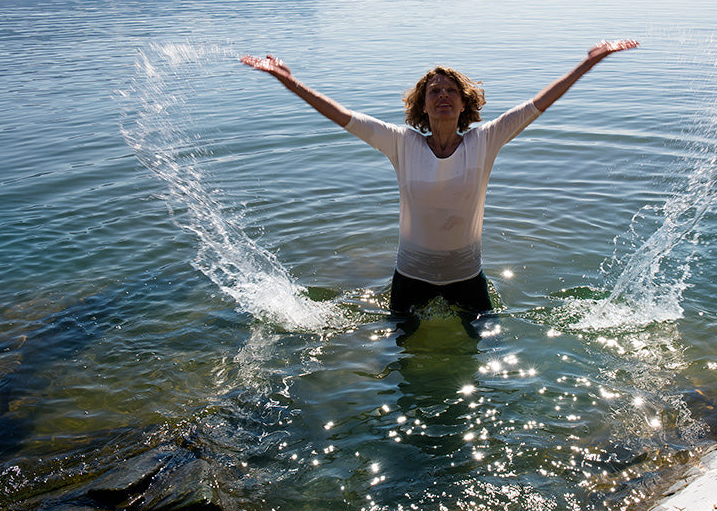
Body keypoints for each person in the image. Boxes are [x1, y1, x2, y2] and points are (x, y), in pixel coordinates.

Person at [241, 39, 638, 317]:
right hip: (410, 276)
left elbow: (539, 103)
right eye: (434, 91)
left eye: (451, 90)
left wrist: (590, 62)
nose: (443, 95)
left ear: (465, 103)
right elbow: (342, 116)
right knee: (401, 363)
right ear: (422, 104)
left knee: (485, 359)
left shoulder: (486, 139)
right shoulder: (401, 142)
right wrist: (288, 81)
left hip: (467, 276)